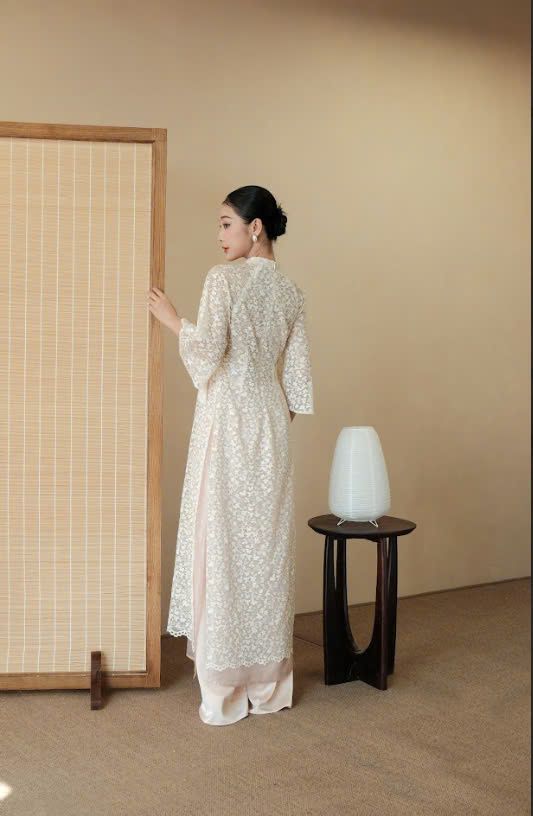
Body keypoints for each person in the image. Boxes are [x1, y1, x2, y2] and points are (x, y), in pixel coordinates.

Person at [148, 185, 314, 725]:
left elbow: (208, 351)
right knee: (265, 549)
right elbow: (296, 388)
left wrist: (173, 319)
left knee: (220, 543)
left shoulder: (222, 280)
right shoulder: (292, 294)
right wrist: (268, 422)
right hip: (270, 425)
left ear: (254, 227)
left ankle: (223, 691)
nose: (219, 235)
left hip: (227, 422)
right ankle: (268, 688)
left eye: (226, 223)